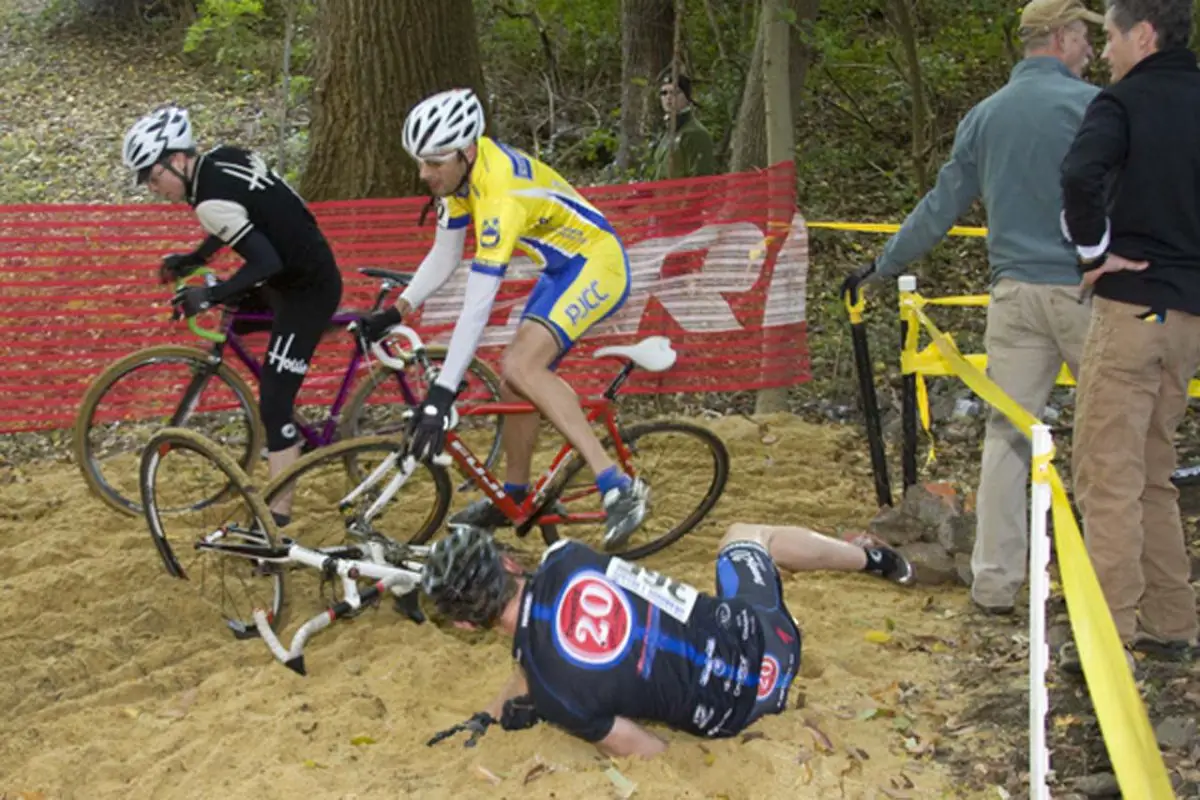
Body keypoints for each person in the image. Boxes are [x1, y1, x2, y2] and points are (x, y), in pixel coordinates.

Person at [839, 0, 1104, 615]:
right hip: (1086, 292)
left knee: (1008, 438)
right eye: (1084, 38)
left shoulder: (984, 117)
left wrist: (884, 266)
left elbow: (940, 205)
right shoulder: (1093, 109)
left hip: (1012, 298)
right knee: (1109, 434)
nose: (1091, 49)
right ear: (1061, 38)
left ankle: (992, 582)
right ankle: (1110, 582)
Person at [359, 88, 647, 550]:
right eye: (420, 161)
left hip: (598, 264)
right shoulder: (460, 179)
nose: (424, 173)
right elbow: (444, 255)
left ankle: (616, 485)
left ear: (466, 150)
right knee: (515, 381)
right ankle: (513, 494)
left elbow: (478, 303)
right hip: (562, 268)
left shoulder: (499, 192)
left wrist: (442, 392)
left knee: (522, 367)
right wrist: (396, 310)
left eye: (433, 163)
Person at [419, 522, 914, 756]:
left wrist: (495, 711)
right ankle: (876, 561)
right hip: (770, 640)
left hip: (745, 712)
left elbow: (647, 751)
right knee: (745, 535)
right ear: (508, 562)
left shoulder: (553, 694)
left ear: (466, 624)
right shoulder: (568, 555)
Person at [1059, 0, 1200, 669]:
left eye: (1111, 37)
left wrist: (1094, 253)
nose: (1106, 51)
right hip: (1186, 320)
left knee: (1108, 473)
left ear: (1142, 35)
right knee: (1152, 470)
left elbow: (1078, 175)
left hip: (1136, 311)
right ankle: (1171, 622)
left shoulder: (1123, 103)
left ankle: (1105, 639)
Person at [122, 105, 343, 525]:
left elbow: (264, 262)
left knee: (274, 407)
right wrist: (194, 259)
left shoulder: (206, 200)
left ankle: (276, 523)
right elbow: (242, 215)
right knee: (239, 315)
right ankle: (294, 422)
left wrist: (210, 294)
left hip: (304, 289)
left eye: (154, 177)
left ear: (179, 159)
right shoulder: (222, 157)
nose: (154, 188)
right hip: (299, 268)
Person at [650, 73, 717, 180]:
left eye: (674, 92)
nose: (668, 97)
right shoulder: (669, 131)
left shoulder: (696, 133)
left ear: (686, 97)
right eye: (664, 93)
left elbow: (701, 180)